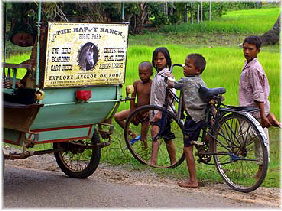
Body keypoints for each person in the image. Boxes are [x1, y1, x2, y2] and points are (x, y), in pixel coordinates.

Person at [239, 35, 281, 178]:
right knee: (261, 138)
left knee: (245, 136)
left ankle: (260, 170)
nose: (246, 52)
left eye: (250, 49)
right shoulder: (249, 64)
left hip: (254, 109)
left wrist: (263, 115)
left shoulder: (253, 69)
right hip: (253, 108)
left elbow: (258, 93)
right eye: (244, 48)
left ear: (258, 51)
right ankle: (261, 171)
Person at [166, 53, 208, 188]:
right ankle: (204, 147)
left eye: (188, 66)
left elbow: (173, 84)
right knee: (197, 140)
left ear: (197, 70)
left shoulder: (185, 81)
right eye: (184, 64)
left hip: (192, 117)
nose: (184, 67)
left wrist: (167, 79)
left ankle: (193, 180)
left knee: (187, 148)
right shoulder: (200, 81)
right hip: (202, 116)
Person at [114, 61, 153, 148]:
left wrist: (150, 111)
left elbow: (154, 100)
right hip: (136, 110)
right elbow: (132, 98)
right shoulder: (137, 83)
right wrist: (132, 112)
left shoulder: (152, 84)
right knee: (117, 117)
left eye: (145, 74)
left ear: (150, 73)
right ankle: (132, 135)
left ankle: (144, 154)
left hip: (146, 115)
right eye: (140, 73)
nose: (142, 76)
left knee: (143, 138)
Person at [149, 47, 177, 166]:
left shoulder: (166, 75)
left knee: (155, 133)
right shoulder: (159, 75)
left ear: (167, 60)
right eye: (156, 59)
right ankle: (174, 162)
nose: (158, 61)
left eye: (161, 59)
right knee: (167, 137)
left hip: (162, 111)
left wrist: (160, 112)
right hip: (157, 110)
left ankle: (153, 162)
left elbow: (169, 95)